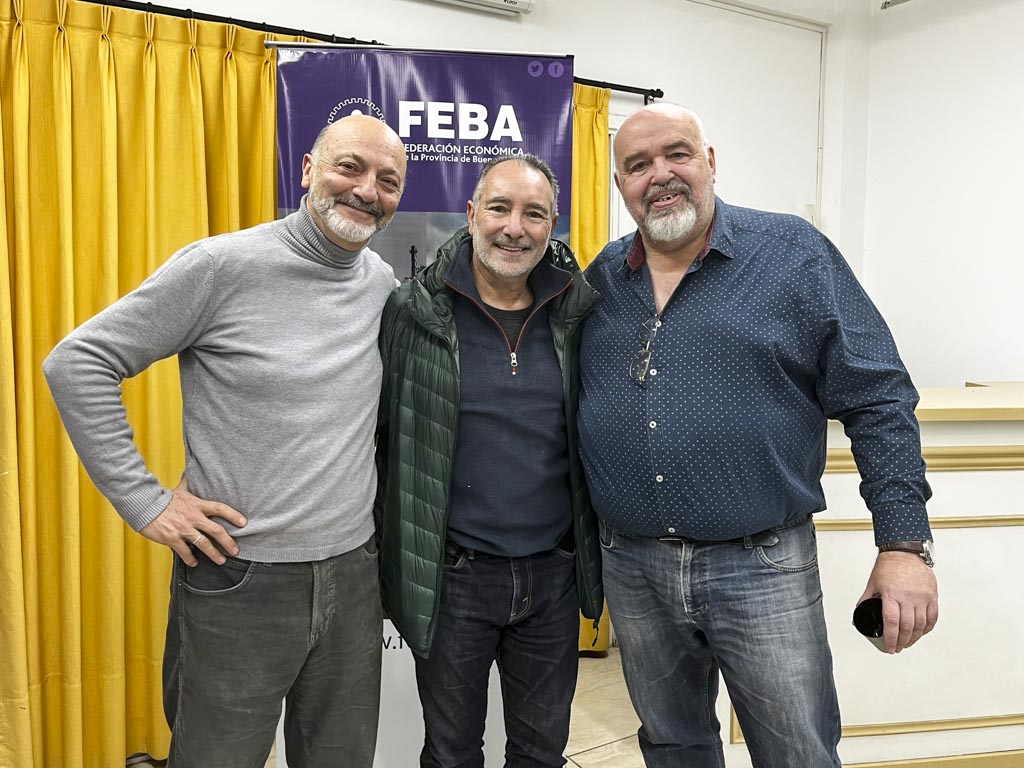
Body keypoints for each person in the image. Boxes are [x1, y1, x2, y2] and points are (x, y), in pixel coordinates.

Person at [577, 103, 939, 767]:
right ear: (621, 184)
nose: (660, 174)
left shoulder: (794, 256)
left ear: (710, 161)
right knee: (671, 744)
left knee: (795, 750)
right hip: (632, 567)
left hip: (761, 565)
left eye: (677, 154)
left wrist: (904, 542)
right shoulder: (601, 279)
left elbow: (879, 395)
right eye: (637, 164)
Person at [43, 114, 407, 768]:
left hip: (354, 578)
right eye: (349, 166)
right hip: (238, 580)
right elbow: (78, 362)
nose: (367, 190)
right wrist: (148, 503)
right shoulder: (221, 266)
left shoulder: (380, 284)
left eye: (388, 180)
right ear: (307, 170)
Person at [374, 154, 603, 768]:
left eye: (534, 214)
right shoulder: (412, 312)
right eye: (499, 208)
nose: (513, 227)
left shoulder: (578, 315)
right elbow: (381, 435)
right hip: (455, 577)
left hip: (552, 575)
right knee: (450, 753)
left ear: (552, 226)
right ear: (472, 215)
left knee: (541, 751)